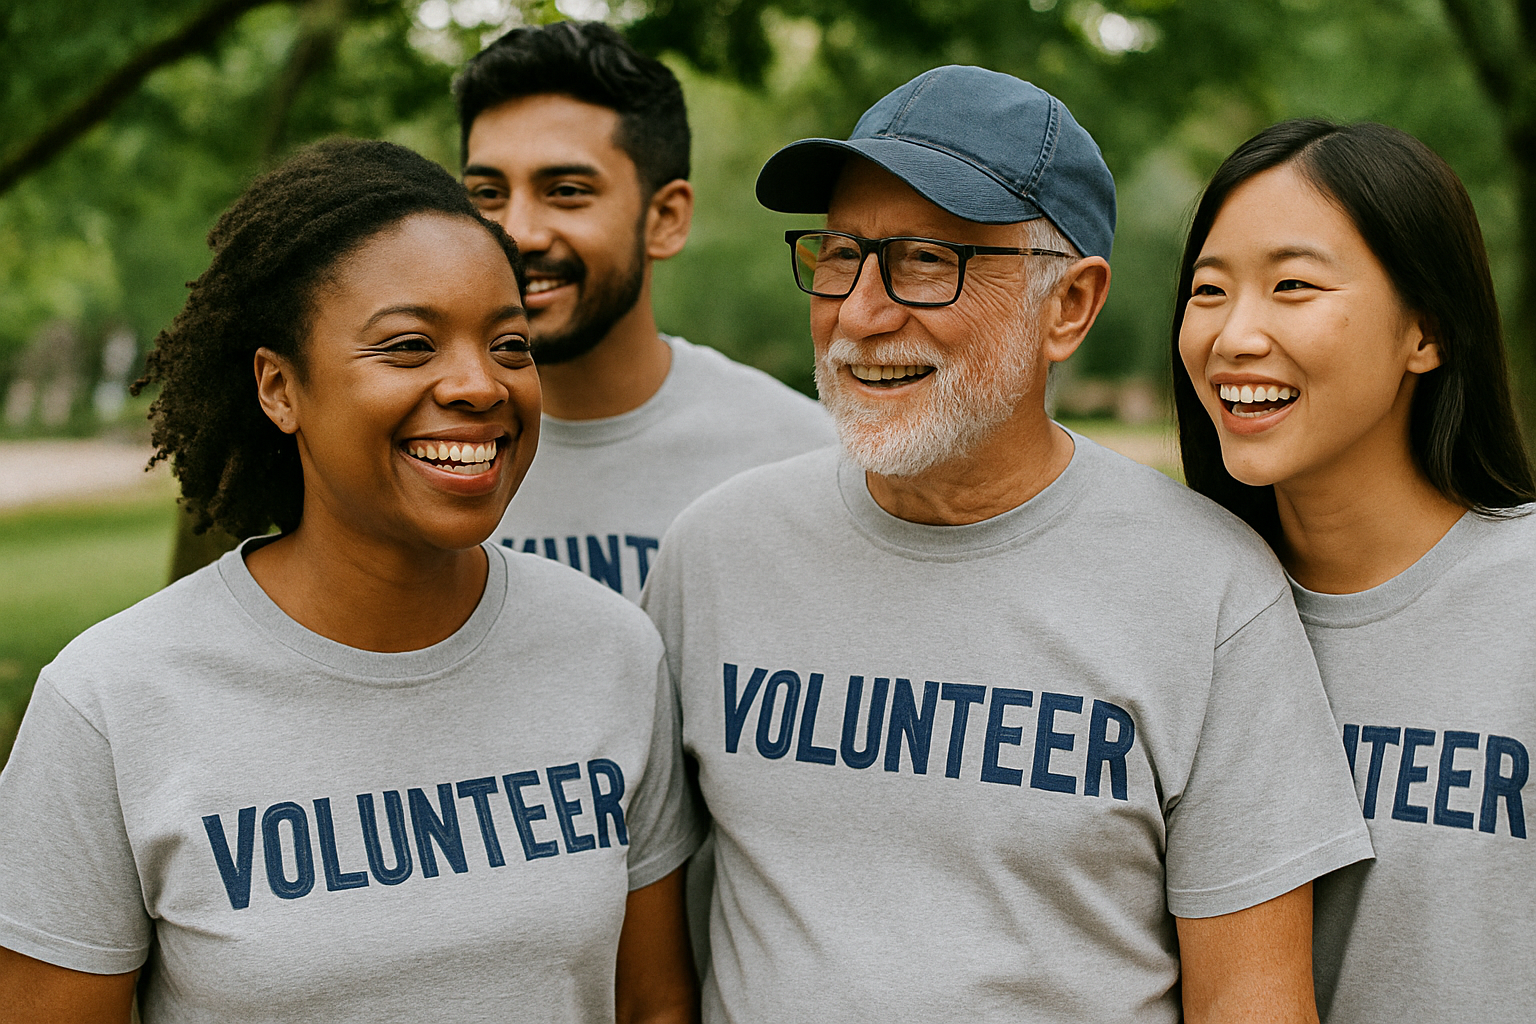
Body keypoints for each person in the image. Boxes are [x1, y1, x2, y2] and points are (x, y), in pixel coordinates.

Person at [641, 65, 1374, 1024]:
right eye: (841, 255)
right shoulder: (714, 556)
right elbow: (650, 976)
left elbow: (1253, 1002)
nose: (861, 312)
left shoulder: (1210, 591)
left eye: (925, 260)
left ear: (1068, 305)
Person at [0, 139, 700, 1023]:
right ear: (279, 388)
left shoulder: (611, 653)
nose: (480, 385)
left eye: (510, 343)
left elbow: (652, 1006)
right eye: (409, 346)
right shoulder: (111, 703)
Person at [1173, 119, 1536, 1023]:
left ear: (1429, 332)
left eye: (1292, 285)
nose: (1235, 336)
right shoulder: (1172, 608)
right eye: (1208, 291)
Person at [453, 21, 834, 602]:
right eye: (487, 194)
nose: (518, 232)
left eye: (567, 191)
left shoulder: (805, 458)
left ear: (666, 218)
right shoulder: (421, 451)